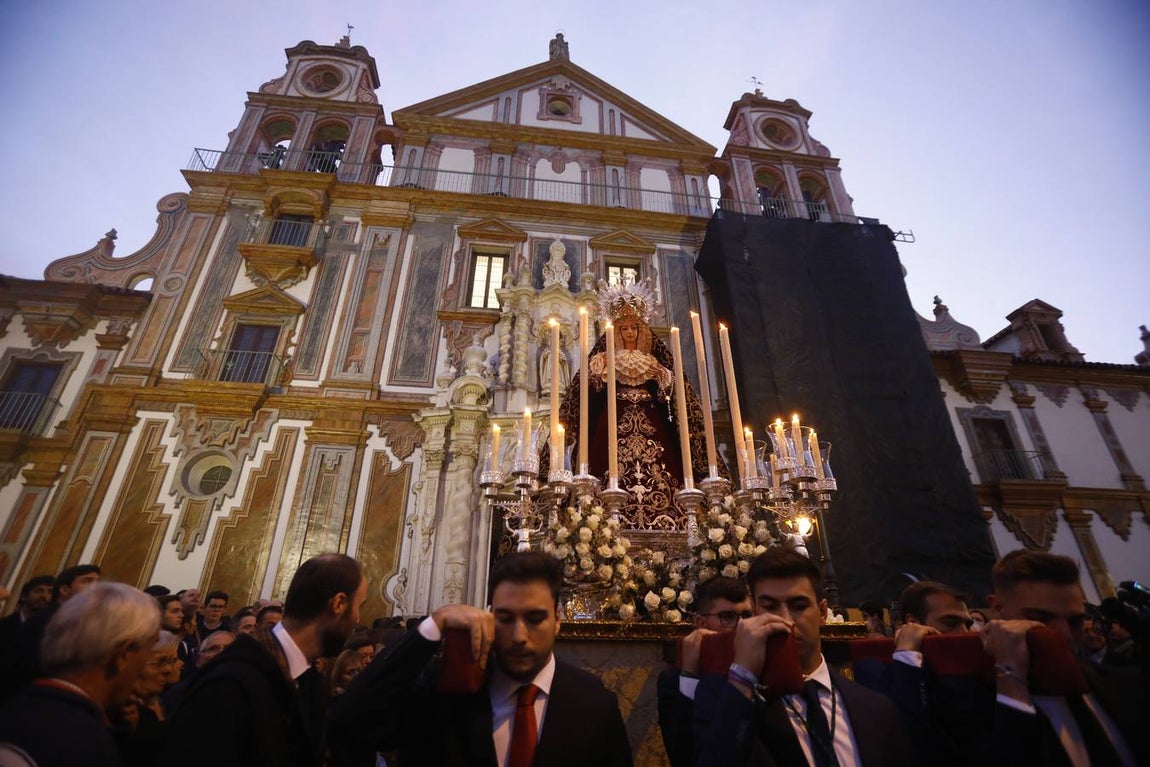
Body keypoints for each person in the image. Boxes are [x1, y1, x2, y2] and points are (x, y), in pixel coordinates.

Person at [328, 550, 633, 767]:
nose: (518, 636)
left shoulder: (594, 702)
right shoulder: (444, 687)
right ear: (488, 615)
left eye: (535, 618)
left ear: (557, 620)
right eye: (505, 618)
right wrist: (434, 625)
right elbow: (348, 724)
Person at [693, 547, 916, 766]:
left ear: (821, 612)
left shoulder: (875, 707)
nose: (785, 619)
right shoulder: (728, 699)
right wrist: (743, 678)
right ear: (755, 615)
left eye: (798, 606)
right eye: (770, 606)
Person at [160, 553, 367, 767]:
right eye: (360, 605)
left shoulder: (307, 682)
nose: (358, 619)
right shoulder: (231, 684)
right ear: (339, 603)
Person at [551, 280, 719, 530]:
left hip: (652, 421)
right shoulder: (603, 359)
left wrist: (664, 380)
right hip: (612, 422)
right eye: (625, 328)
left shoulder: (653, 361)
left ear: (642, 331)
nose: (630, 332)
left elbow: (673, 400)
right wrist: (598, 374)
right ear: (616, 332)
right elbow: (586, 395)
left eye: (634, 328)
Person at [976, 550, 1147, 766]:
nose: (1065, 636)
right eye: (1041, 618)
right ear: (998, 608)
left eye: (1075, 621)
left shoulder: (1124, 682)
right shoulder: (970, 700)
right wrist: (1011, 679)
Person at [0, 582, 160, 766]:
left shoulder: (11, 709)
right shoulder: (88, 745)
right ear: (122, 655)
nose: (148, 662)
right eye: (150, 650)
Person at [657, 576, 751, 767]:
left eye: (747, 615)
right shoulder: (673, 679)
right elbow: (681, 754)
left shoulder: (763, 664)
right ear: (701, 623)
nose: (741, 625)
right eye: (727, 617)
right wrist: (690, 674)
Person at [0, 563, 102, 699]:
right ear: (64, 590)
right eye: (87, 581)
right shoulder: (46, 622)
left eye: (98, 582)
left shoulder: (76, 624)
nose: (96, 587)